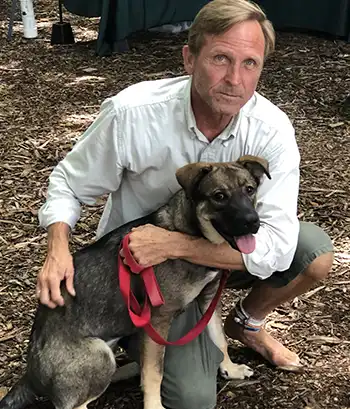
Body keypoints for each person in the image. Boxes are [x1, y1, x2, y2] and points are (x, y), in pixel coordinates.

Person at [37, 1, 334, 408]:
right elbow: (68, 184)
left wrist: (175, 245)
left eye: (250, 63)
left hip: (205, 251)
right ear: (189, 59)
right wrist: (57, 249)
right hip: (135, 271)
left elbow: (278, 247)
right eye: (220, 59)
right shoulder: (133, 114)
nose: (234, 79)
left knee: (311, 251)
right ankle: (129, 336)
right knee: (193, 399)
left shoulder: (271, 131)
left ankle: (247, 323)